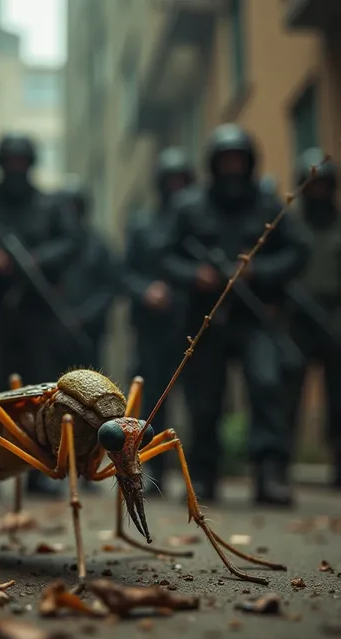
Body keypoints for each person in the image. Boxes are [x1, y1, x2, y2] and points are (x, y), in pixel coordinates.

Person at [157, 124, 311, 506]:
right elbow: (164, 256)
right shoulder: (188, 206)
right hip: (205, 320)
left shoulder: (268, 204)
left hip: (255, 318)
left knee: (266, 386)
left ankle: (270, 474)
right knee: (205, 401)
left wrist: (260, 270)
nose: (231, 167)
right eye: (225, 160)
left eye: (237, 160)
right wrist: (196, 276)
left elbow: (297, 252)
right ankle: (205, 478)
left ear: (248, 162)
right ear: (213, 163)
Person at [0, 133, 79, 497]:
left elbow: (72, 242)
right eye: (9, 161)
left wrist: (38, 260)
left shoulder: (51, 206)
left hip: (37, 315)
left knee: (44, 395)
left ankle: (42, 470)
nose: (15, 168)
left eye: (20, 161)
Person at [123, 146, 196, 496]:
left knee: (200, 397)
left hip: (191, 323)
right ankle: (152, 470)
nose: (176, 187)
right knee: (153, 401)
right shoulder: (143, 225)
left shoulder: (199, 222)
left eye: (182, 180)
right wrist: (145, 291)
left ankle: (198, 472)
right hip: (152, 327)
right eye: (171, 181)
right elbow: (124, 273)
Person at [284, 148, 341, 489]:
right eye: (313, 185)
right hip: (297, 320)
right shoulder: (290, 228)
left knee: (339, 396)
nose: (318, 191)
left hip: (334, 317)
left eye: (324, 185)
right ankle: (281, 463)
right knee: (289, 395)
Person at [55, 174, 119, 372]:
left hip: (89, 334)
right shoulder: (50, 246)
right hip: (53, 333)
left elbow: (110, 287)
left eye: (74, 207)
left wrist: (83, 316)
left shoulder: (98, 245)